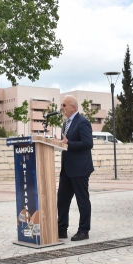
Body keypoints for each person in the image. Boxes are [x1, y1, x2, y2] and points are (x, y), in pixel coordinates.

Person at [56, 95, 94, 241]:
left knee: (82, 200)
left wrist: (69, 143)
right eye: (61, 105)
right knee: (62, 200)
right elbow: (67, 143)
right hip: (66, 168)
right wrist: (59, 143)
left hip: (80, 168)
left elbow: (88, 143)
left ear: (73, 107)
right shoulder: (65, 124)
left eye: (64, 105)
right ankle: (61, 229)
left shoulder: (83, 122)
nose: (62, 108)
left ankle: (84, 230)